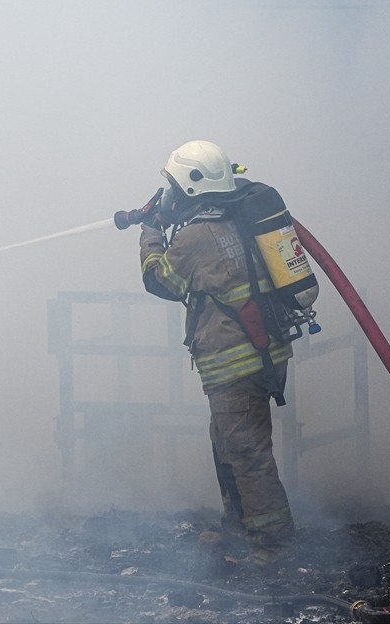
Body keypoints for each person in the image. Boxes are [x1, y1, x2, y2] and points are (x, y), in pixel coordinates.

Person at [136, 140, 295, 568]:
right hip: (260, 352)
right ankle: (240, 528)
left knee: (246, 451)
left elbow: (161, 282)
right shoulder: (236, 219)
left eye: (171, 189)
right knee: (227, 443)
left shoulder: (194, 238)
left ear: (190, 188)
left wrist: (150, 233)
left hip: (235, 360)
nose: (167, 198)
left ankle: (273, 546)